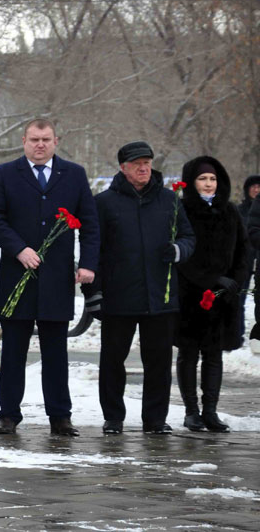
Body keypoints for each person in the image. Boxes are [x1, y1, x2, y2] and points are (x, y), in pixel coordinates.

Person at [0, 118, 99, 437]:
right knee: (14, 352)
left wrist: (88, 263)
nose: (40, 145)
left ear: (56, 141)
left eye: (46, 139)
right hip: (15, 277)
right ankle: (8, 414)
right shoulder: (6, 173)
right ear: (23, 141)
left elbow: (90, 223)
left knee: (55, 353)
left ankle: (60, 416)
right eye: (34, 139)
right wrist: (18, 248)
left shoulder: (73, 175)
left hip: (57, 279)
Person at [89, 141, 195, 434]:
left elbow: (188, 237)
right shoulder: (104, 202)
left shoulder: (170, 200)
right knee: (112, 360)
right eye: (137, 163)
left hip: (160, 296)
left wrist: (178, 250)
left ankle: (155, 419)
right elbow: (92, 251)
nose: (144, 167)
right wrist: (93, 293)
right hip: (118, 296)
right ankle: (113, 417)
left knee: (159, 362)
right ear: (123, 168)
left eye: (147, 161)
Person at [174, 157, 247, 434]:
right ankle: (191, 411)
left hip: (223, 297)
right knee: (189, 353)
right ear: (192, 182)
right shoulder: (182, 209)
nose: (208, 184)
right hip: (191, 294)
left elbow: (244, 249)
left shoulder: (229, 211)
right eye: (203, 179)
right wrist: (209, 279)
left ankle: (210, 411)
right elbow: (181, 253)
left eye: (213, 179)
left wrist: (234, 282)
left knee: (214, 354)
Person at [236, 175, 259, 343]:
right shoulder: (239, 210)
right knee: (239, 298)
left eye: (259, 187)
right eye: (253, 187)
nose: (256, 190)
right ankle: (238, 333)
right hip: (244, 259)